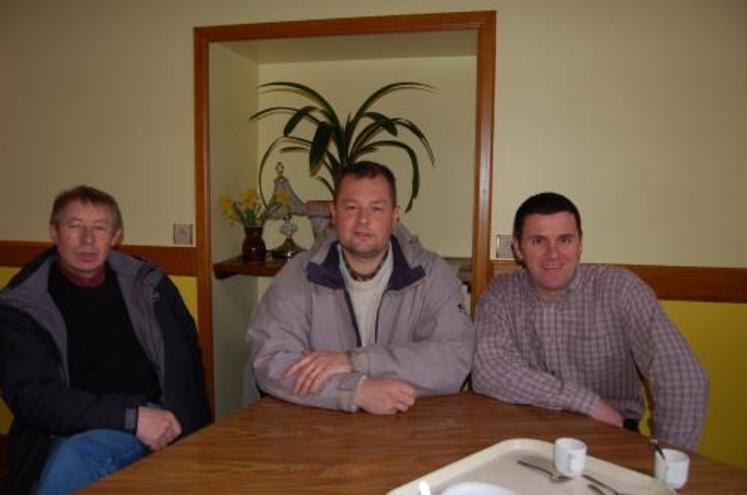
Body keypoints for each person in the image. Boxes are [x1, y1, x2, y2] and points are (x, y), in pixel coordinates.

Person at [0, 185, 211, 494]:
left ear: (116, 236)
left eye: (99, 228)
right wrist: (130, 418)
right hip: (71, 427)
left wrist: (197, 433)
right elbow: (33, 397)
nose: (87, 240)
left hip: (157, 413)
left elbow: (189, 356)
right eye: (75, 227)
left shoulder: (150, 285)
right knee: (73, 460)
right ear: (54, 232)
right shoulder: (22, 304)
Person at [472, 192, 708, 450]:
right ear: (518, 248)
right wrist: (587, 403)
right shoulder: (500, 294)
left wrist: (669, 465)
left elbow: (684, 379)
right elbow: (489, 370)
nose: (553, 254)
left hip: (612, 435)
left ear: (580, 244)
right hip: (526, 437)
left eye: (565, 240)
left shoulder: (620, 289)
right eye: (538, 241)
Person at [247, 162, 474, 414]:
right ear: (333, 213)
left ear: (395, 215)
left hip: (411, 421)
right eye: (351, 208)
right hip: (319, 426)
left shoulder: (430, 274)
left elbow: (455, 358)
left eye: (376, 209)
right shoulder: (299, 275)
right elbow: (271, 362)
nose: (363, 220)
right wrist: (354, 391)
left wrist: (358, 361)